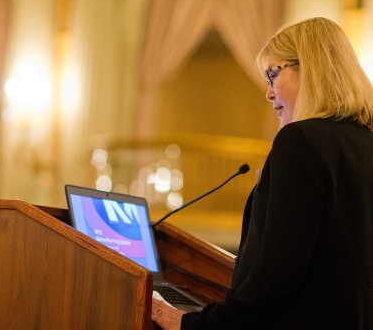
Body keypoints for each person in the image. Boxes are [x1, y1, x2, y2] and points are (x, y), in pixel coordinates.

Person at [151, 17, 373, 329]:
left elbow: (277, 278)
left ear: (309, 67)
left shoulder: (301, 141)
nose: (268, 93)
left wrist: (191, 324)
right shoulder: (366, 141)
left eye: (272, 75)